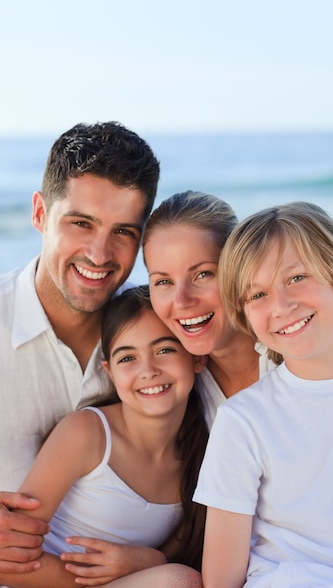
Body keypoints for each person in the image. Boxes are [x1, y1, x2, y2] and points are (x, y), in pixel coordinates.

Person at [193, 201, 333, 588]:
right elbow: (222, 579)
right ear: (245, 316)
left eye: (296, 278)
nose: (281, 306)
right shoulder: (244, 420)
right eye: (257, 295)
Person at [0, 121, 160, 574]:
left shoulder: (159, 343)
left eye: (124, 232)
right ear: (39, 213)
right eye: (81, 223)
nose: (99, 253)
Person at [0, 286, 207, 588]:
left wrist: (152, 560)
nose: (148, 370)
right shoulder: (87, 433)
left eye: (164, 350)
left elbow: (163, 559)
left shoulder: (199, 457)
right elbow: (8, 560)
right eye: (127, 358)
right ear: (109, 372)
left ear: (196, 359)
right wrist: (144, 569)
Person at [142, 190, 277, 428]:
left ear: (237, 270)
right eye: (164, 281)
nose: (182, 301)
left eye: (203, 274)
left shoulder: (293, 357)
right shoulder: (173, 381)